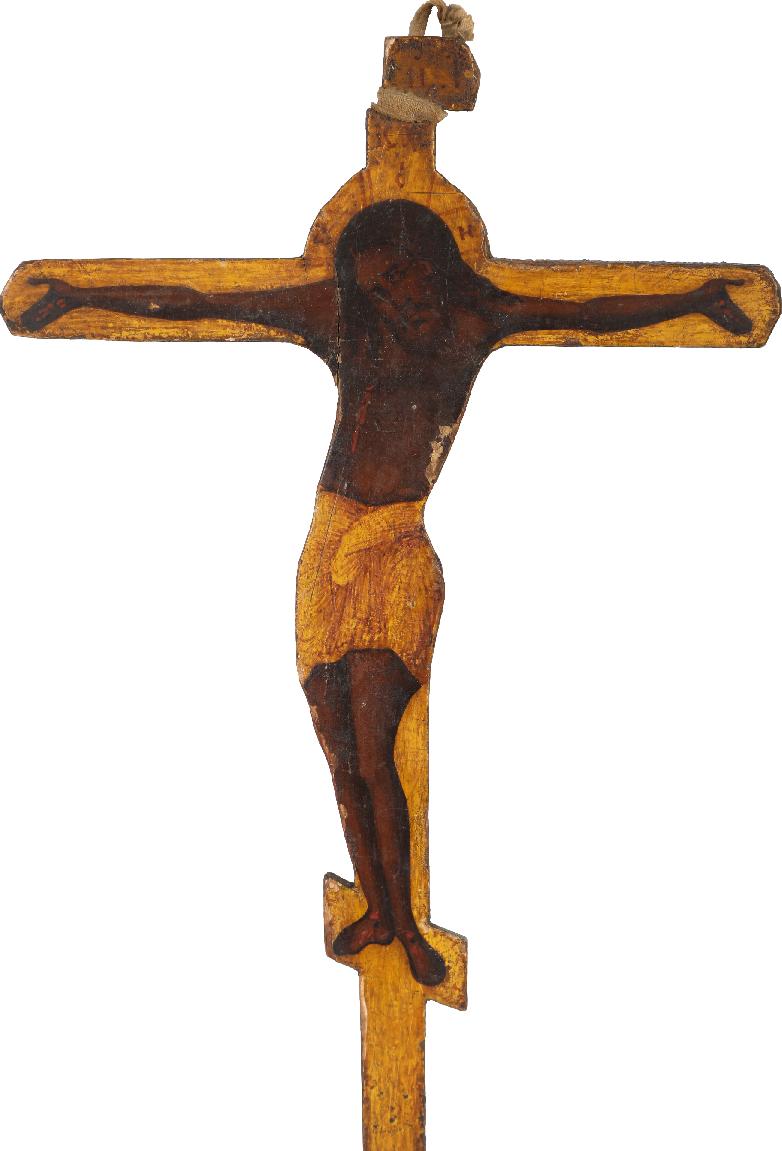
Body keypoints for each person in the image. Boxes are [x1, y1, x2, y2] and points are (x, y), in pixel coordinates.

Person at [12, 200, 753, 985]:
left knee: (375, 750)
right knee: (339, 752)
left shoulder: (475, 320)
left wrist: (696, 298)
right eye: (377, 286)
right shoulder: (342, 321)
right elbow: (203, 301)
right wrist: (80, 295)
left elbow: (590, 312)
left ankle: (407, 925)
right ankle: (381, 913)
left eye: (404, 273)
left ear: (434, 261)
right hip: (328, 544)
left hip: (396, 550)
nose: (397, 296)